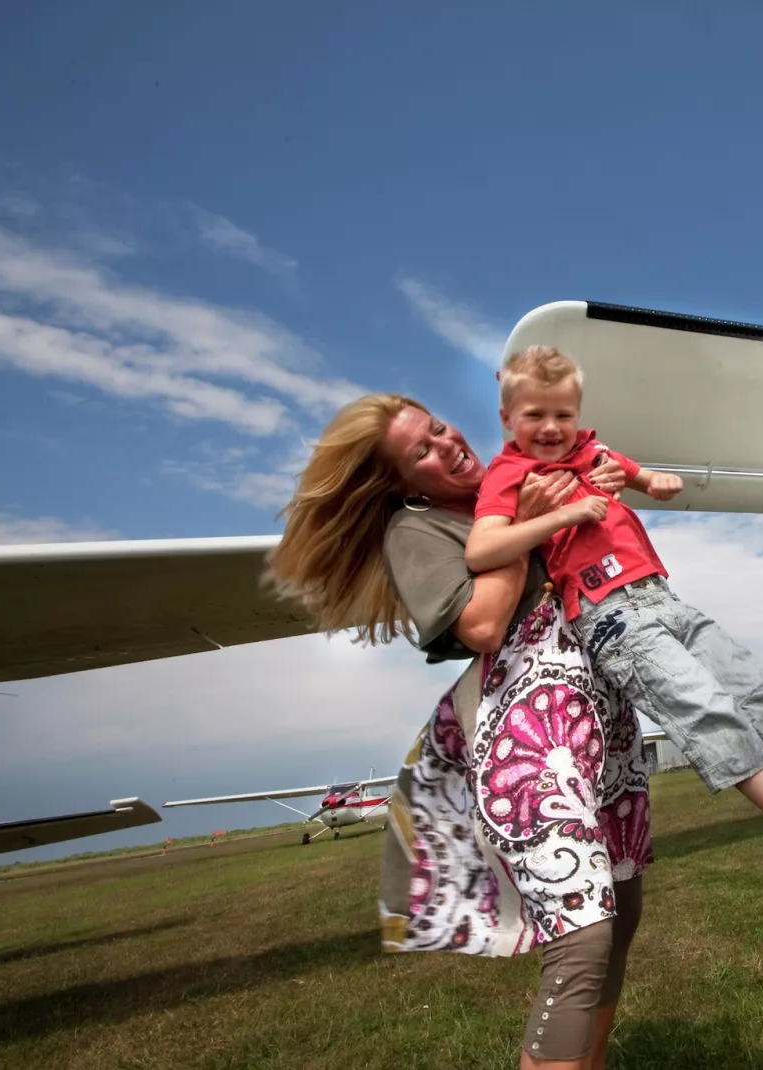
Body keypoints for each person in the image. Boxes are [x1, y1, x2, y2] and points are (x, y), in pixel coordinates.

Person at [464, 345, 763, 888]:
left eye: (563, 414)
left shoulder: (591, 451)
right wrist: (568, 512)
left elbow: (640, 475)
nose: (552, 428)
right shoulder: (510, 472)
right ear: (507, 418)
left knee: (755, 687)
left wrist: (655, 481)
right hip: (609, 615)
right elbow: (482, 551)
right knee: (706, 708)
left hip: (661, 596)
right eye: (535, 415)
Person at [269, 394, 651, 1070]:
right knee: (582, 937)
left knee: (620, 916)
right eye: (420, 450)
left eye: (438, 428)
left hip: (598, 721)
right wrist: (528, 525)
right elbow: (481, 626)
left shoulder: (515, 480)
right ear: (400, 483)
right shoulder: (415, 531)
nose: (444, 445)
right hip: (530, 737)